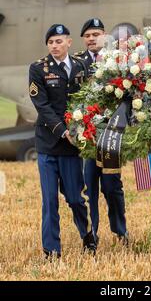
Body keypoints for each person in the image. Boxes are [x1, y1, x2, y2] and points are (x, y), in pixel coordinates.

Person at [29, 24, 96, 258]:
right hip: (48, 143)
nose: (55, 46)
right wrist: (63, 130)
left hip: (72, 147)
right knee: (50, 200)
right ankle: (52, 250)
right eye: (51, 42)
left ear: (69, 42)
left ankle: (87, 234)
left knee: (76, 198)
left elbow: (89, 99)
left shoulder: (81, 66)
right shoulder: (38, 68)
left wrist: (82, 130)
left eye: (59, 41)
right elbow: (42, 106)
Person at [75, 18, 128, 245]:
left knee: (111, 186)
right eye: (87, 36)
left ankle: (120, 230)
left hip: (111, 134)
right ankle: (92, 234)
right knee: (88, 188)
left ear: (105, 35)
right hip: (87, 135)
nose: (91, 39)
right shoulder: (76, 63)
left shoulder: (117, 60)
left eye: (95, 34)